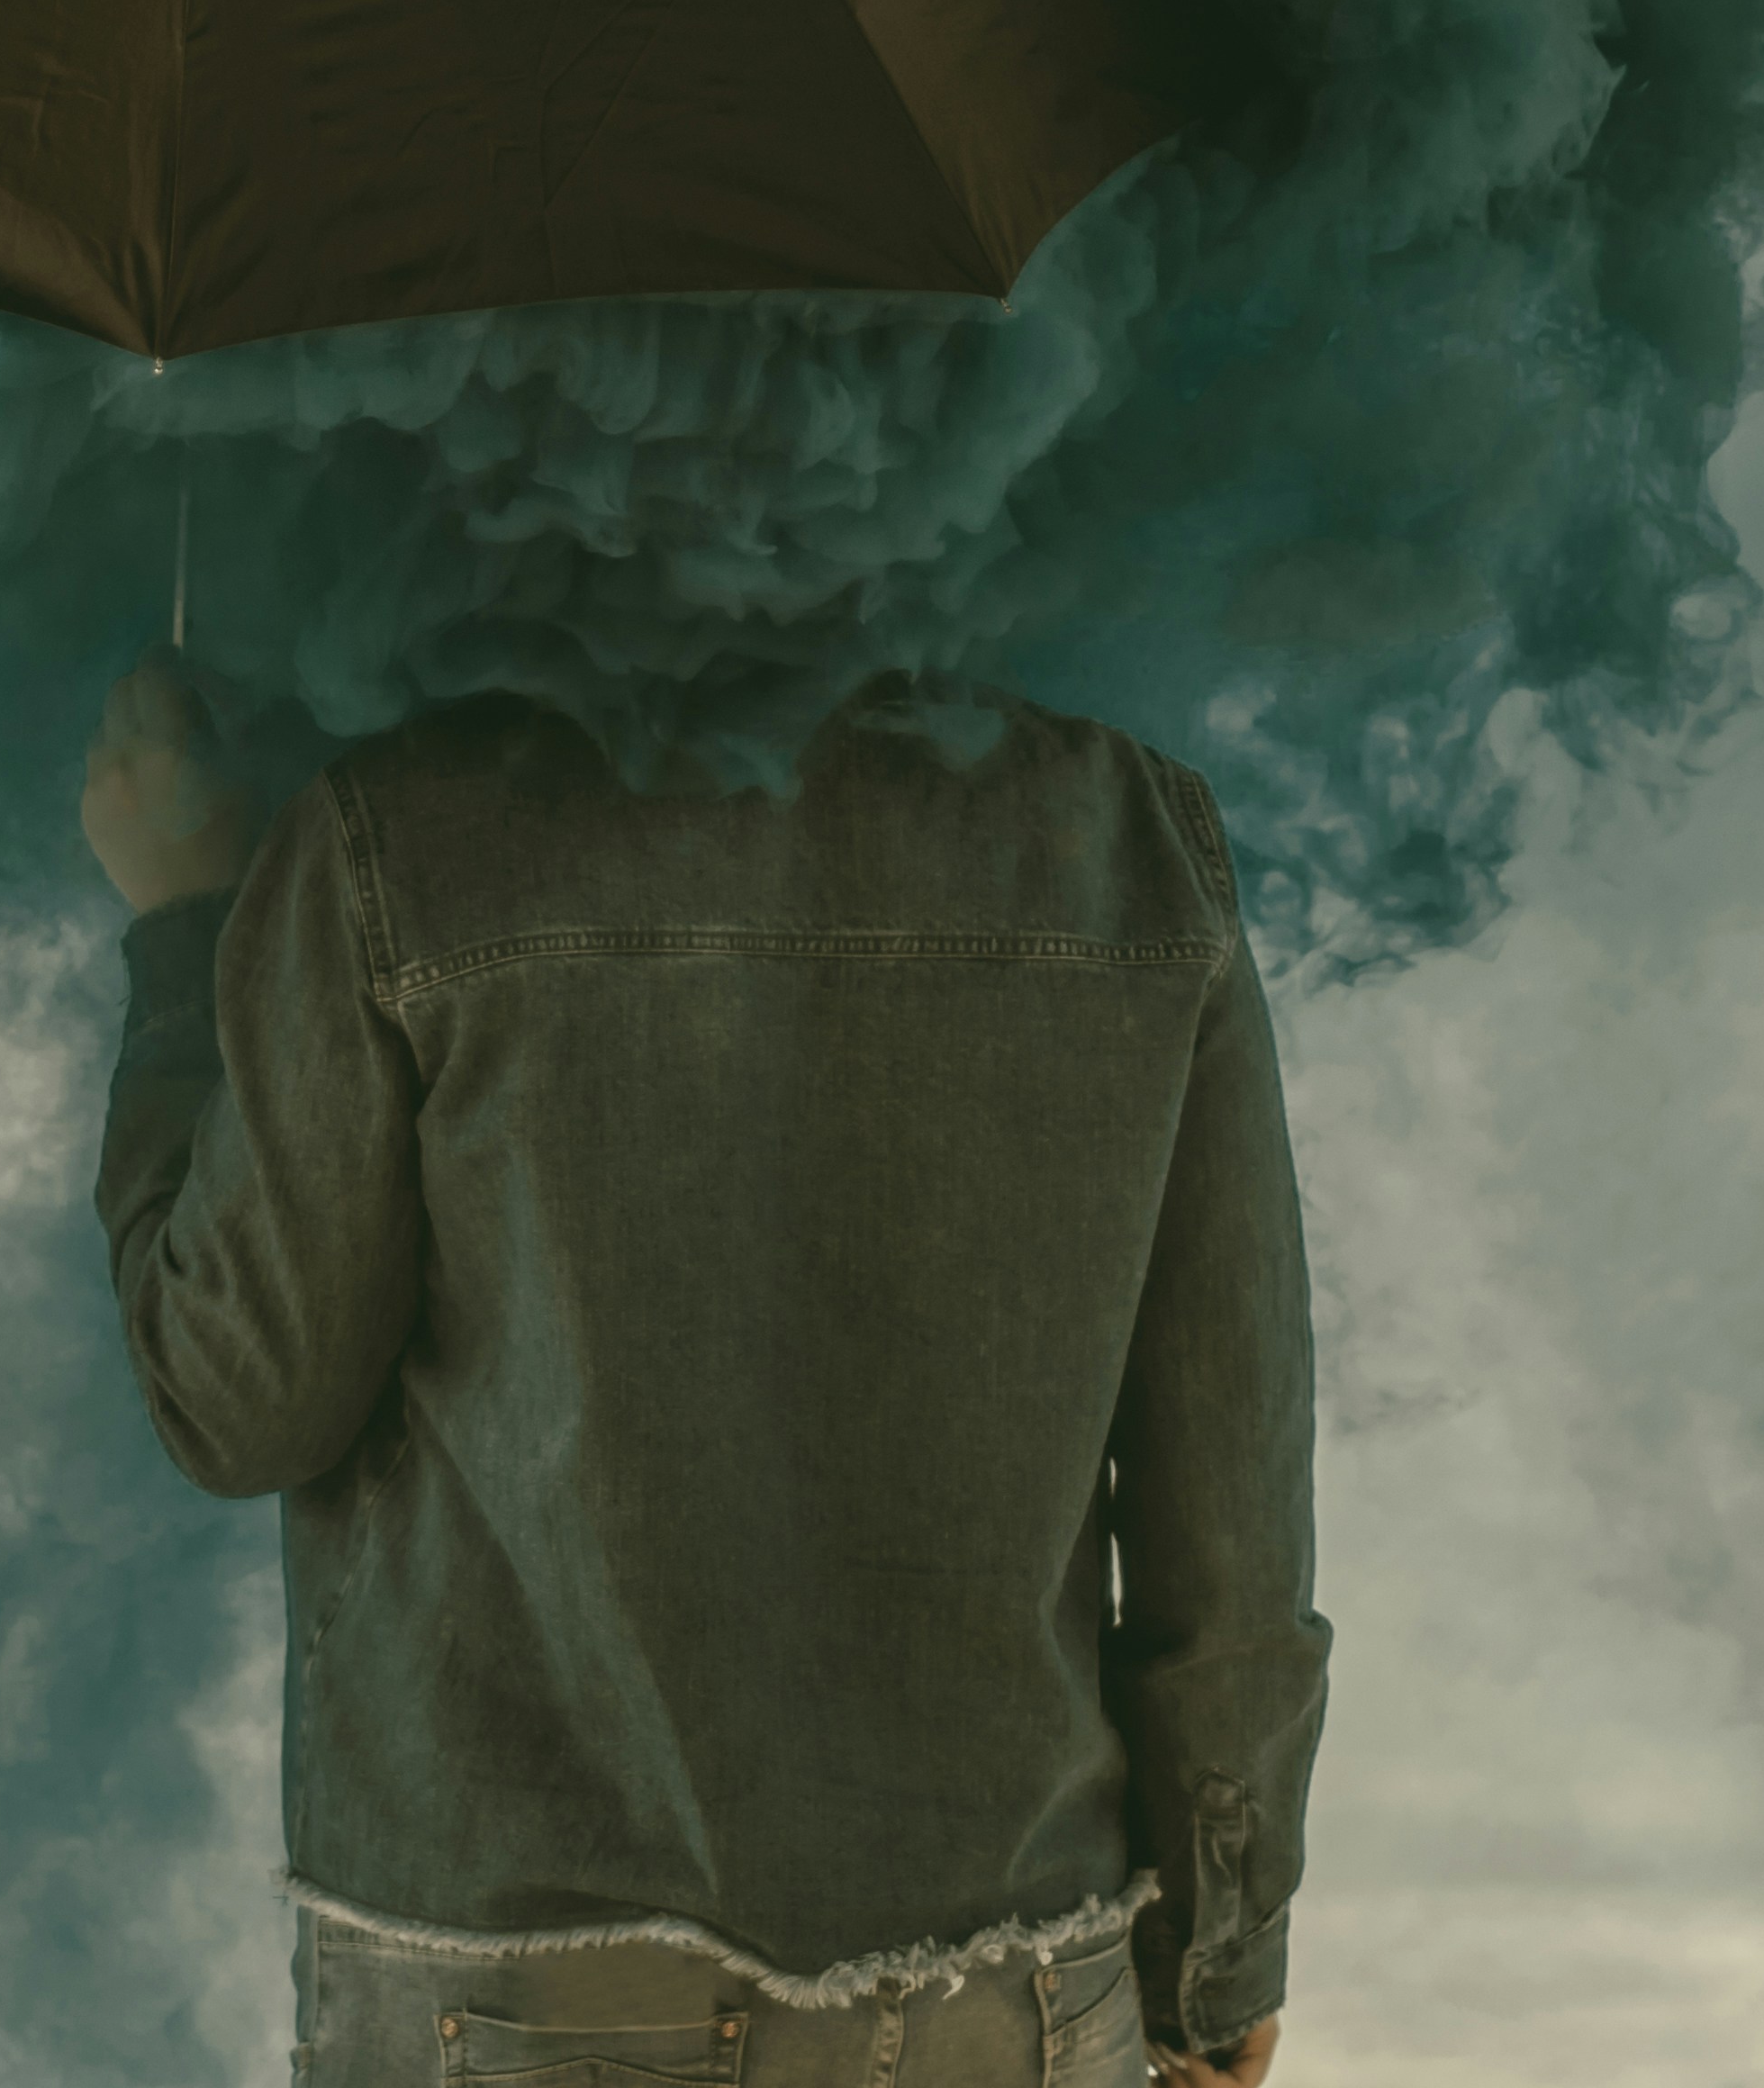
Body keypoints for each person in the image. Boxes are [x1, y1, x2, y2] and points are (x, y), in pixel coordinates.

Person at [87, 653, 1325, 2088]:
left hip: (523, 1994)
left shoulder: (396, 831)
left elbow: (236, 1400)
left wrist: (187, 925)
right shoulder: (1129, 836)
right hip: (1015, 1981)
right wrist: (1215, 1962)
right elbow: (1228, 1499)